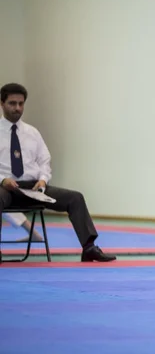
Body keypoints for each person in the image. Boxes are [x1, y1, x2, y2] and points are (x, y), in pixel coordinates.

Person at [0, 83, 116, 262]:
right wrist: (2, 180)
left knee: (75, 198)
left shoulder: (32, 133)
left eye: (21, 104)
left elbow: (45, 161)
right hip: (6, 189)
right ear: (2, 103)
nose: (17, 108)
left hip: (33, 188)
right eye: (12, 103)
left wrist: (44, 180)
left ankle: (89, 248)